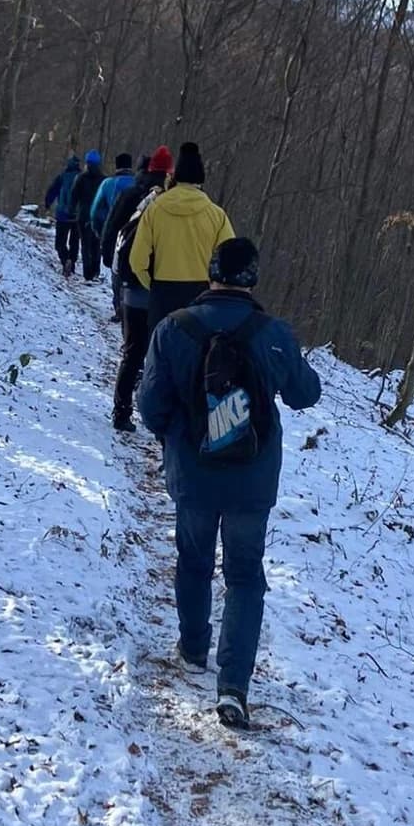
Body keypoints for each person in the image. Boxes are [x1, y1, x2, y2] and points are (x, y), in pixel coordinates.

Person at [137, 237, 321, 728]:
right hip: (252, 480)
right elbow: (306, 394)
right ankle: (234, 685)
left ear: (211, 273)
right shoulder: (273, 333)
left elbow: (150, 407)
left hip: (193, 474)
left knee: (194, 561)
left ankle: (193, 648)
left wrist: (179, 437)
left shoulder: (173, 328)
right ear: (253, 278)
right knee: (244, 576)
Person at [104, 146, 173, 431]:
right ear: (169, 173)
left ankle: (121, 412)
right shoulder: (170, 203)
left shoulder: (131, 193)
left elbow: (112, 229)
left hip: (130, 282)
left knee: (131, 351)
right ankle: (154, 412)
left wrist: (111, 264)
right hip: (162, 286)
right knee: (159, 353)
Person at [128, 140, 233, 328]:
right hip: (201, 295)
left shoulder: (155, 210)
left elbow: (137, 260)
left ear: (176, 176)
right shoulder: (217, 215)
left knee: (161, 343)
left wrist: (151, 284)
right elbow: (230, 261)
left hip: (163, 292)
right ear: (200, 179)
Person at [92, 153, 140, 320]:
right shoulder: (138, 184)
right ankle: (130, 304)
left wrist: (98, 230)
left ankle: (119, 306)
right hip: (138, 233)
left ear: (116, 166)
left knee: (116, 269)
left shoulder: (108, 184)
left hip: (115, 232)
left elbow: (95, 210)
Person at [43, 153, 81, 277]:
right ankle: (72, 263)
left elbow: (52, 190)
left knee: (60, 242)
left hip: (63, 215)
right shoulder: (82, 177)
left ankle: (65, 261)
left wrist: (47, 203)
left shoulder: (62, 177)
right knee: (74, 242)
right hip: (77, 216)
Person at [70, 151, 106, 280]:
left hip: (83, 215)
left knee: (85, 244)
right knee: (96, 243)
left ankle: (87, 273)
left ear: (87, 163)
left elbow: (73, 196)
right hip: (99, 216)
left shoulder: (80, 178)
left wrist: (72, 210)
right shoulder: (104, 180)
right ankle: (96, 270)